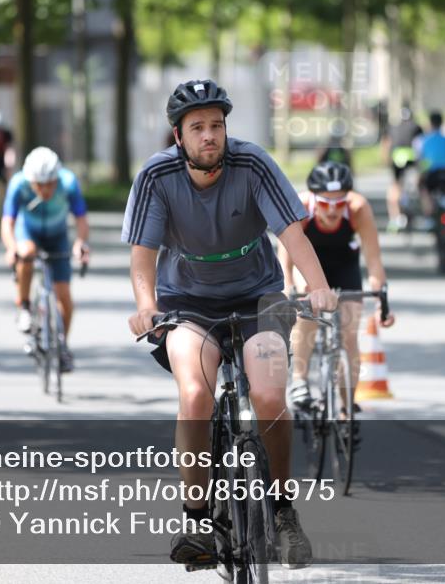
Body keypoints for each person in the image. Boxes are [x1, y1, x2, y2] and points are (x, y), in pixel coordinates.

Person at [122, 79, 338, 571]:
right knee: (195, 395)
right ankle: (197, 520)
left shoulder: (253, 164)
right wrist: (145, 305)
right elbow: (143, 258)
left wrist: (318, 285)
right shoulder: (157, 178)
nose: (209, 136)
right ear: (178, 136)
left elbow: (293, 235)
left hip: (258, 297)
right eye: (197, 127)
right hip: (187, 305)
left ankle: (282, 510)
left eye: (216, 125)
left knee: (268, 395)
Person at [278, 161, 396, 415]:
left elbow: (373, 259)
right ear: (313, 198)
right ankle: (299, 380)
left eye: (339, 203)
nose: (332, 212)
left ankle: (346, 407)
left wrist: (381, 300)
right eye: (325, 204)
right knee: (308, 305)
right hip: (308, 262)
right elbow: (286, 254)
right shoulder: (301, 206)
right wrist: (289, 285)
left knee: (350, 333)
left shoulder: (358, 208)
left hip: (344, 264)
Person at [2, 147, 90, 372]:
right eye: (38, 185)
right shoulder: (18, 184)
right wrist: (12, 248)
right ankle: (24, 306)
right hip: (27, 233)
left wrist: (80, 242)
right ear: (30, 181)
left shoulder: (68, 183)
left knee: (65, 299)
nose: (45, 189)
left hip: (57, 236)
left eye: (50, 183)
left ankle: (62, 346)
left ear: (56, 178)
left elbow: (80, 218)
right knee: (27, 253)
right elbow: (7, 223)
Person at [380, 104, 422, 231]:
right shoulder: (416, 127)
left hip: (396, 159)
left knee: (395, 187)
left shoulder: (392, 126)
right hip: (411, 159)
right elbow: (421, 144)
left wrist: (385, 159)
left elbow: (386, 144)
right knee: (420, 185)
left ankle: (395, 217)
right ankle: (426, 215)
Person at [417, 111, 445, 226]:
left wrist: (420, 175)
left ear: (430, 123)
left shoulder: (423, 141)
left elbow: (422, 162)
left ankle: (428, 216)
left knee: (424, 190)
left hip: (433, 174)